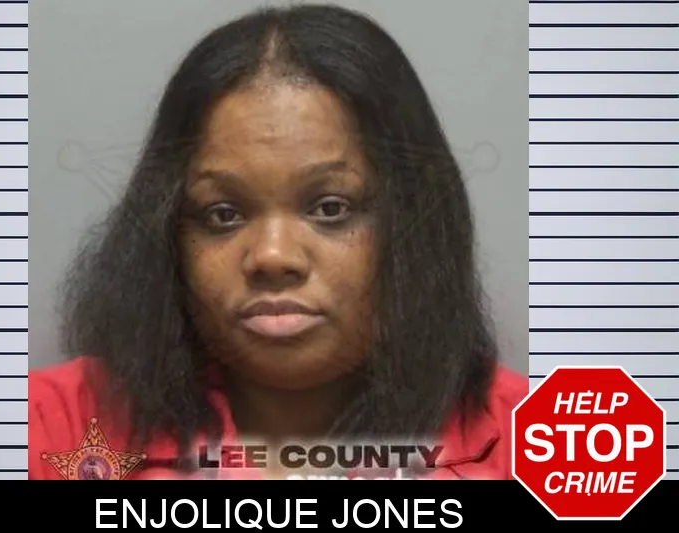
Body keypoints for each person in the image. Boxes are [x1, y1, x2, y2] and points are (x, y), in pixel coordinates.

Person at [29, 3, 527, 480]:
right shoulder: (50, 429)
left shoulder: (539, 442)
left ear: (415, 225)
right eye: (223, 214)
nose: (272, 256)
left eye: (330, 208)